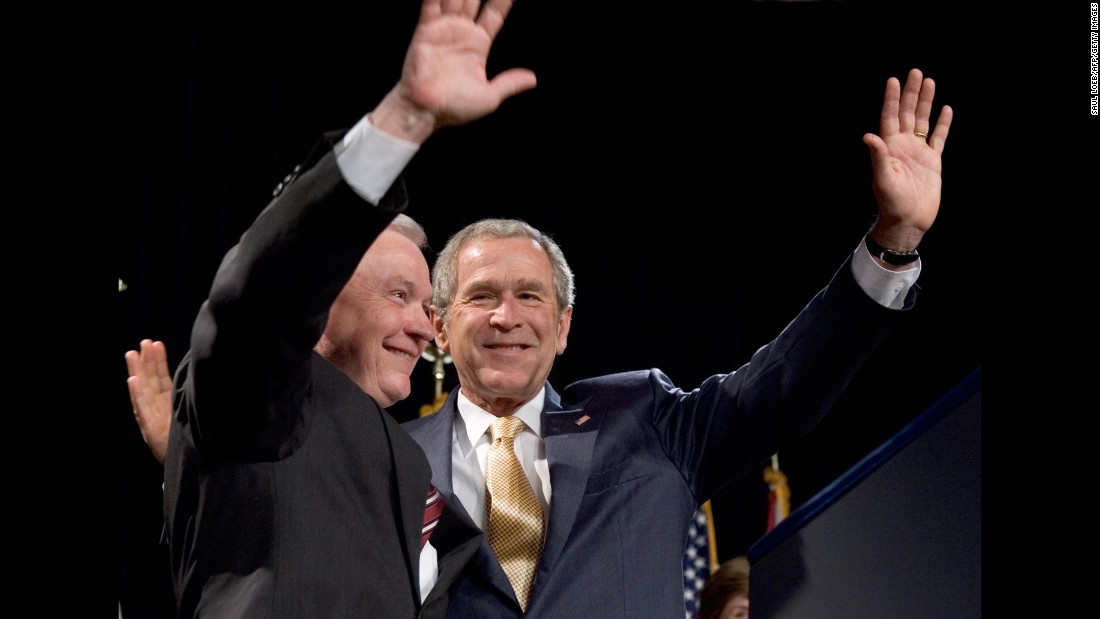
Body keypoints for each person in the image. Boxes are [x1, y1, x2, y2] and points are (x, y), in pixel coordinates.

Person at [400, 67, 953, 617]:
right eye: (481, 297)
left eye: (529, 295)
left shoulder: (643, 418)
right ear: (440, 325)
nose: (506, 316)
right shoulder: (388, 457)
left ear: (563, 326)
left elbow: (785, 385)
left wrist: (893, 243)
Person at [126, 0, 537, 616]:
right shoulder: (268, 388)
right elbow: (260, 293)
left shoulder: (404, 464)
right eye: (398, 294)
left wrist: (190, 475)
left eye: (428, 306)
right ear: (322, 296)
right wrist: (406, 119)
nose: (422, 327)